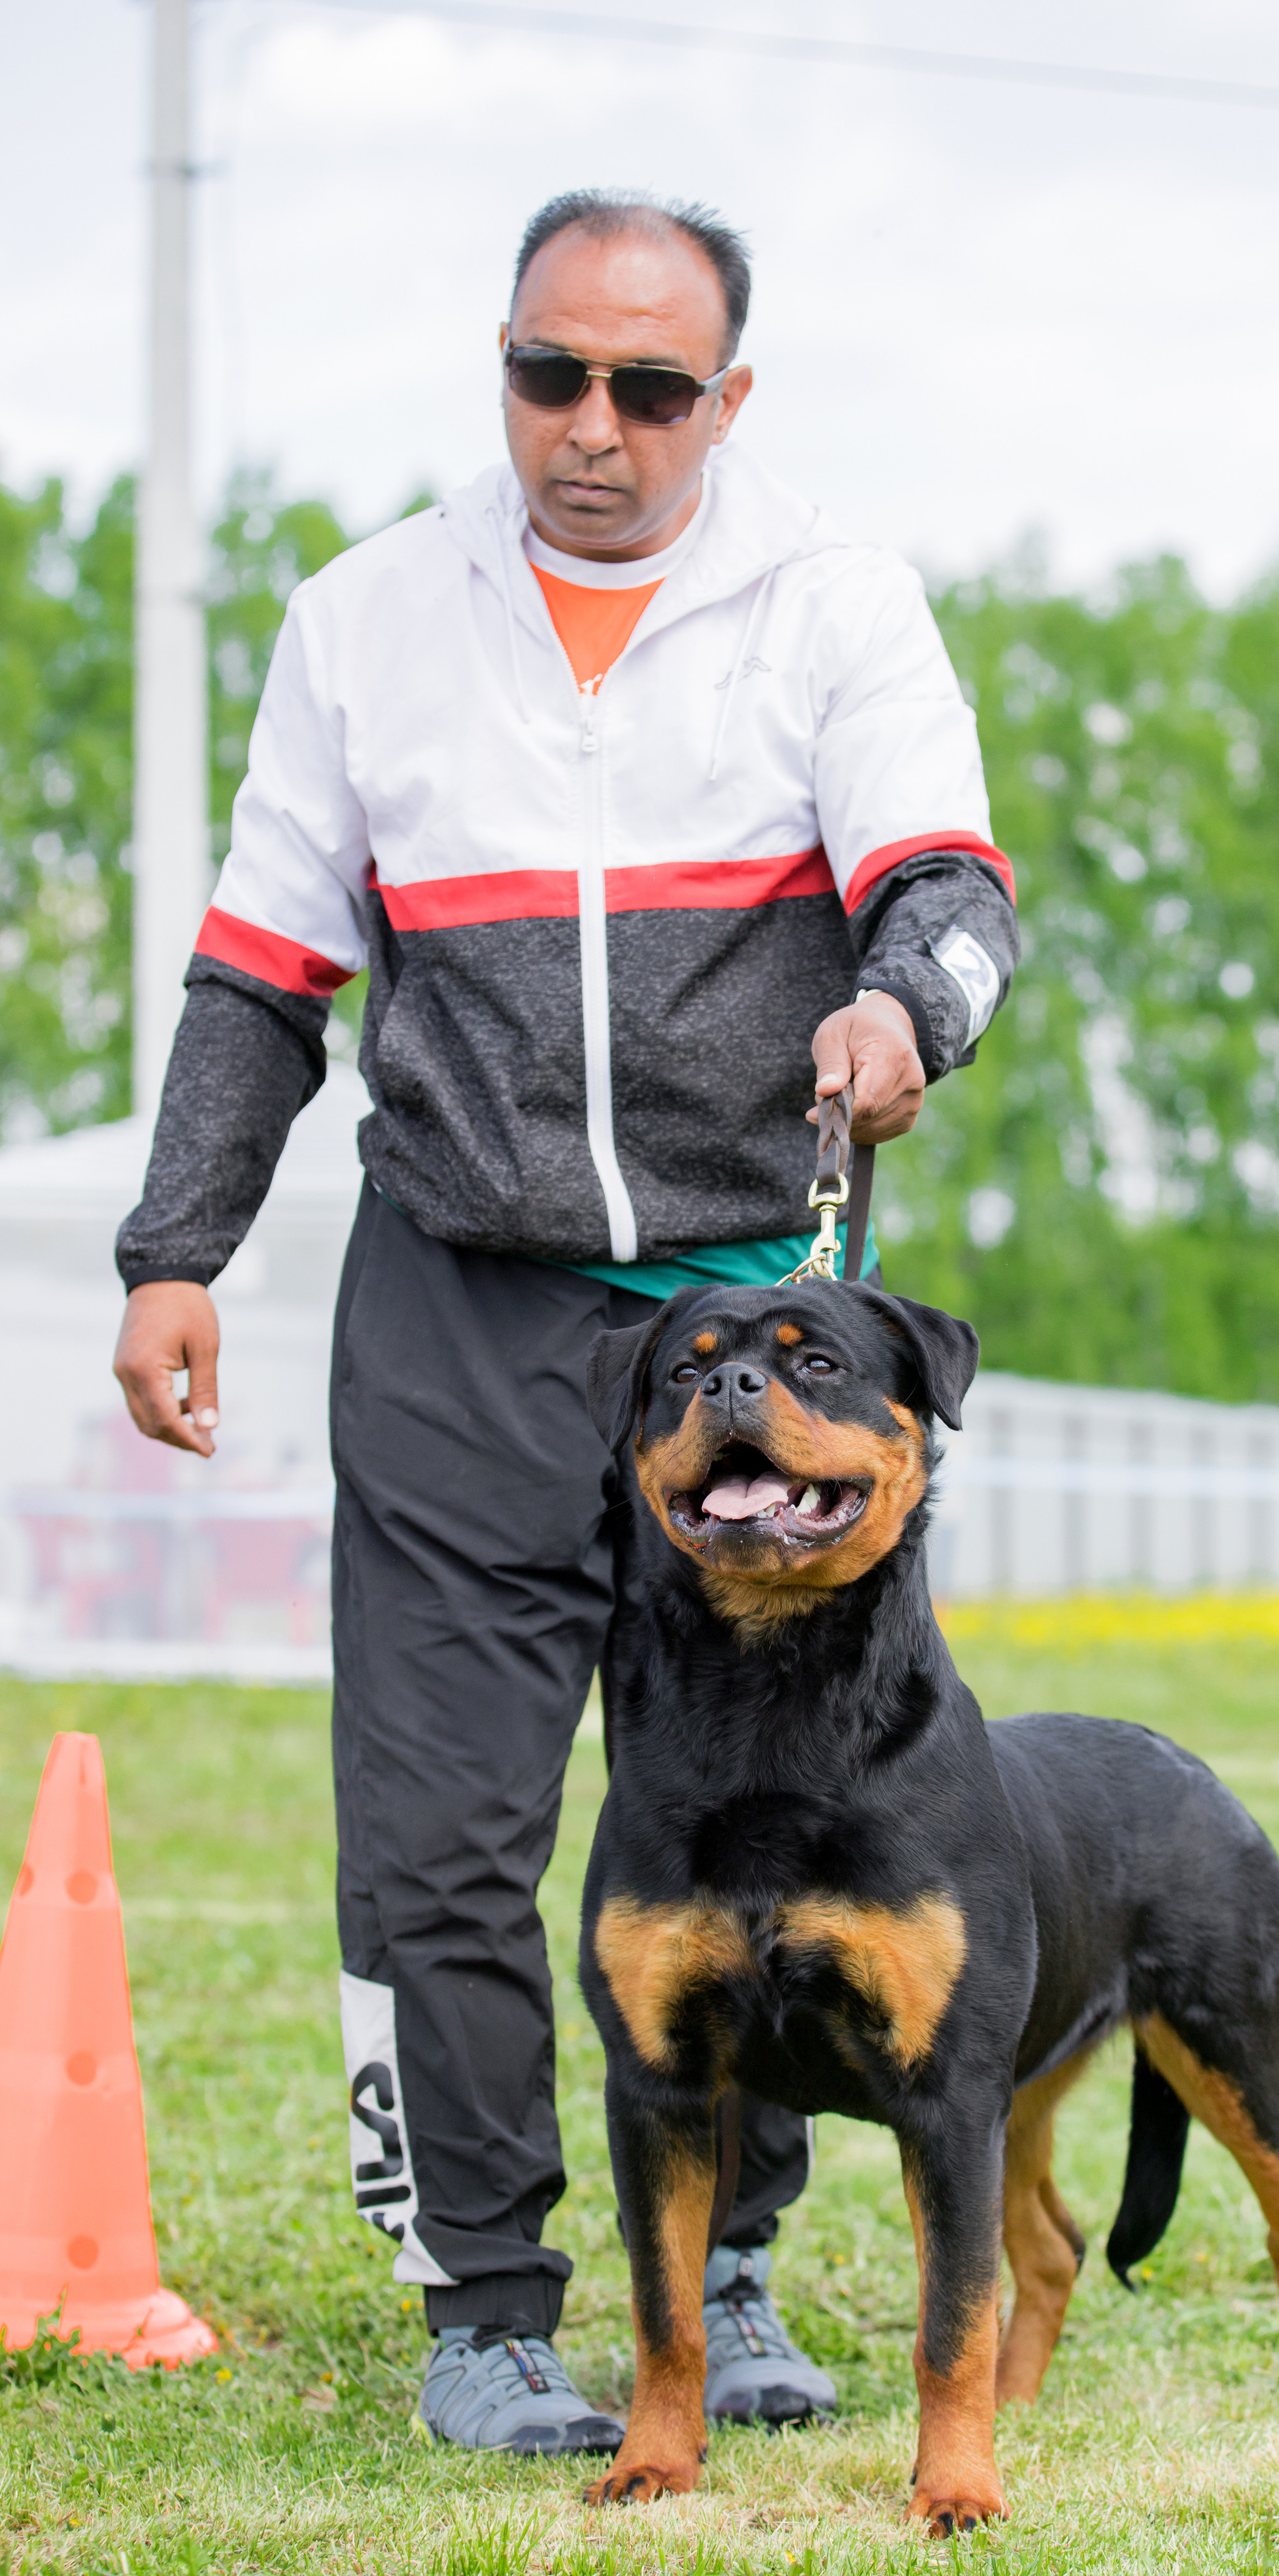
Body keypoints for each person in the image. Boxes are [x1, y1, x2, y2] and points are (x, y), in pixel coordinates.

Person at [112, 191, 1017, 2456]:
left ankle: (731, 2274)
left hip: (745, 1335)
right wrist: (173, 1245)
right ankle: (489, 2303)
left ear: (729, 397)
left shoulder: (833, 600)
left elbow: (951, 884)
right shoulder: (365, 620)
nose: (588, 428)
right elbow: (261, 969)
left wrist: (911, 1005)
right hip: (460, 1311)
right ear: (501, 363)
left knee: (773, 1829)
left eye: (644, 388)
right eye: (547, 376)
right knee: (434, 1834)